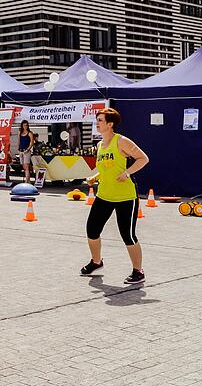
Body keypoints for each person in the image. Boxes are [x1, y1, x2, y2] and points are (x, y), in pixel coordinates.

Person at [81, 108, 149, 285]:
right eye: (97, 120)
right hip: (104, 195)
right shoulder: (100, 145)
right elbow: (107, 169)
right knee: (92, 230)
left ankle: (138, 271)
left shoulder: (121, 141)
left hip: (125, 197)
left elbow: (143, 158)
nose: (97, 123)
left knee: (128, 235)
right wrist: (94, 177)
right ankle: (96, 262)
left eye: (100, 120)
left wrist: (127, 173)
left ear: (110, 124)